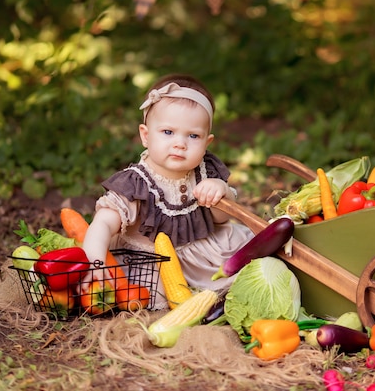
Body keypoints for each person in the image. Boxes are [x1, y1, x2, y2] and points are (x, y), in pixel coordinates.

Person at [81, 73, 254, 309]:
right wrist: (95, 263)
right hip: (152, 261)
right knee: (151, 297)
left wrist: (220, 190)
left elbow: (222, 217)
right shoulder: (137, 183)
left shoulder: (205, 171)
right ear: (145, 135)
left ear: (207, 143)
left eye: (193, 136)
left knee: (248, 264)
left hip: (201, 254)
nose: (179, 143)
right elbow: (102, 223)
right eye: (168, 132)